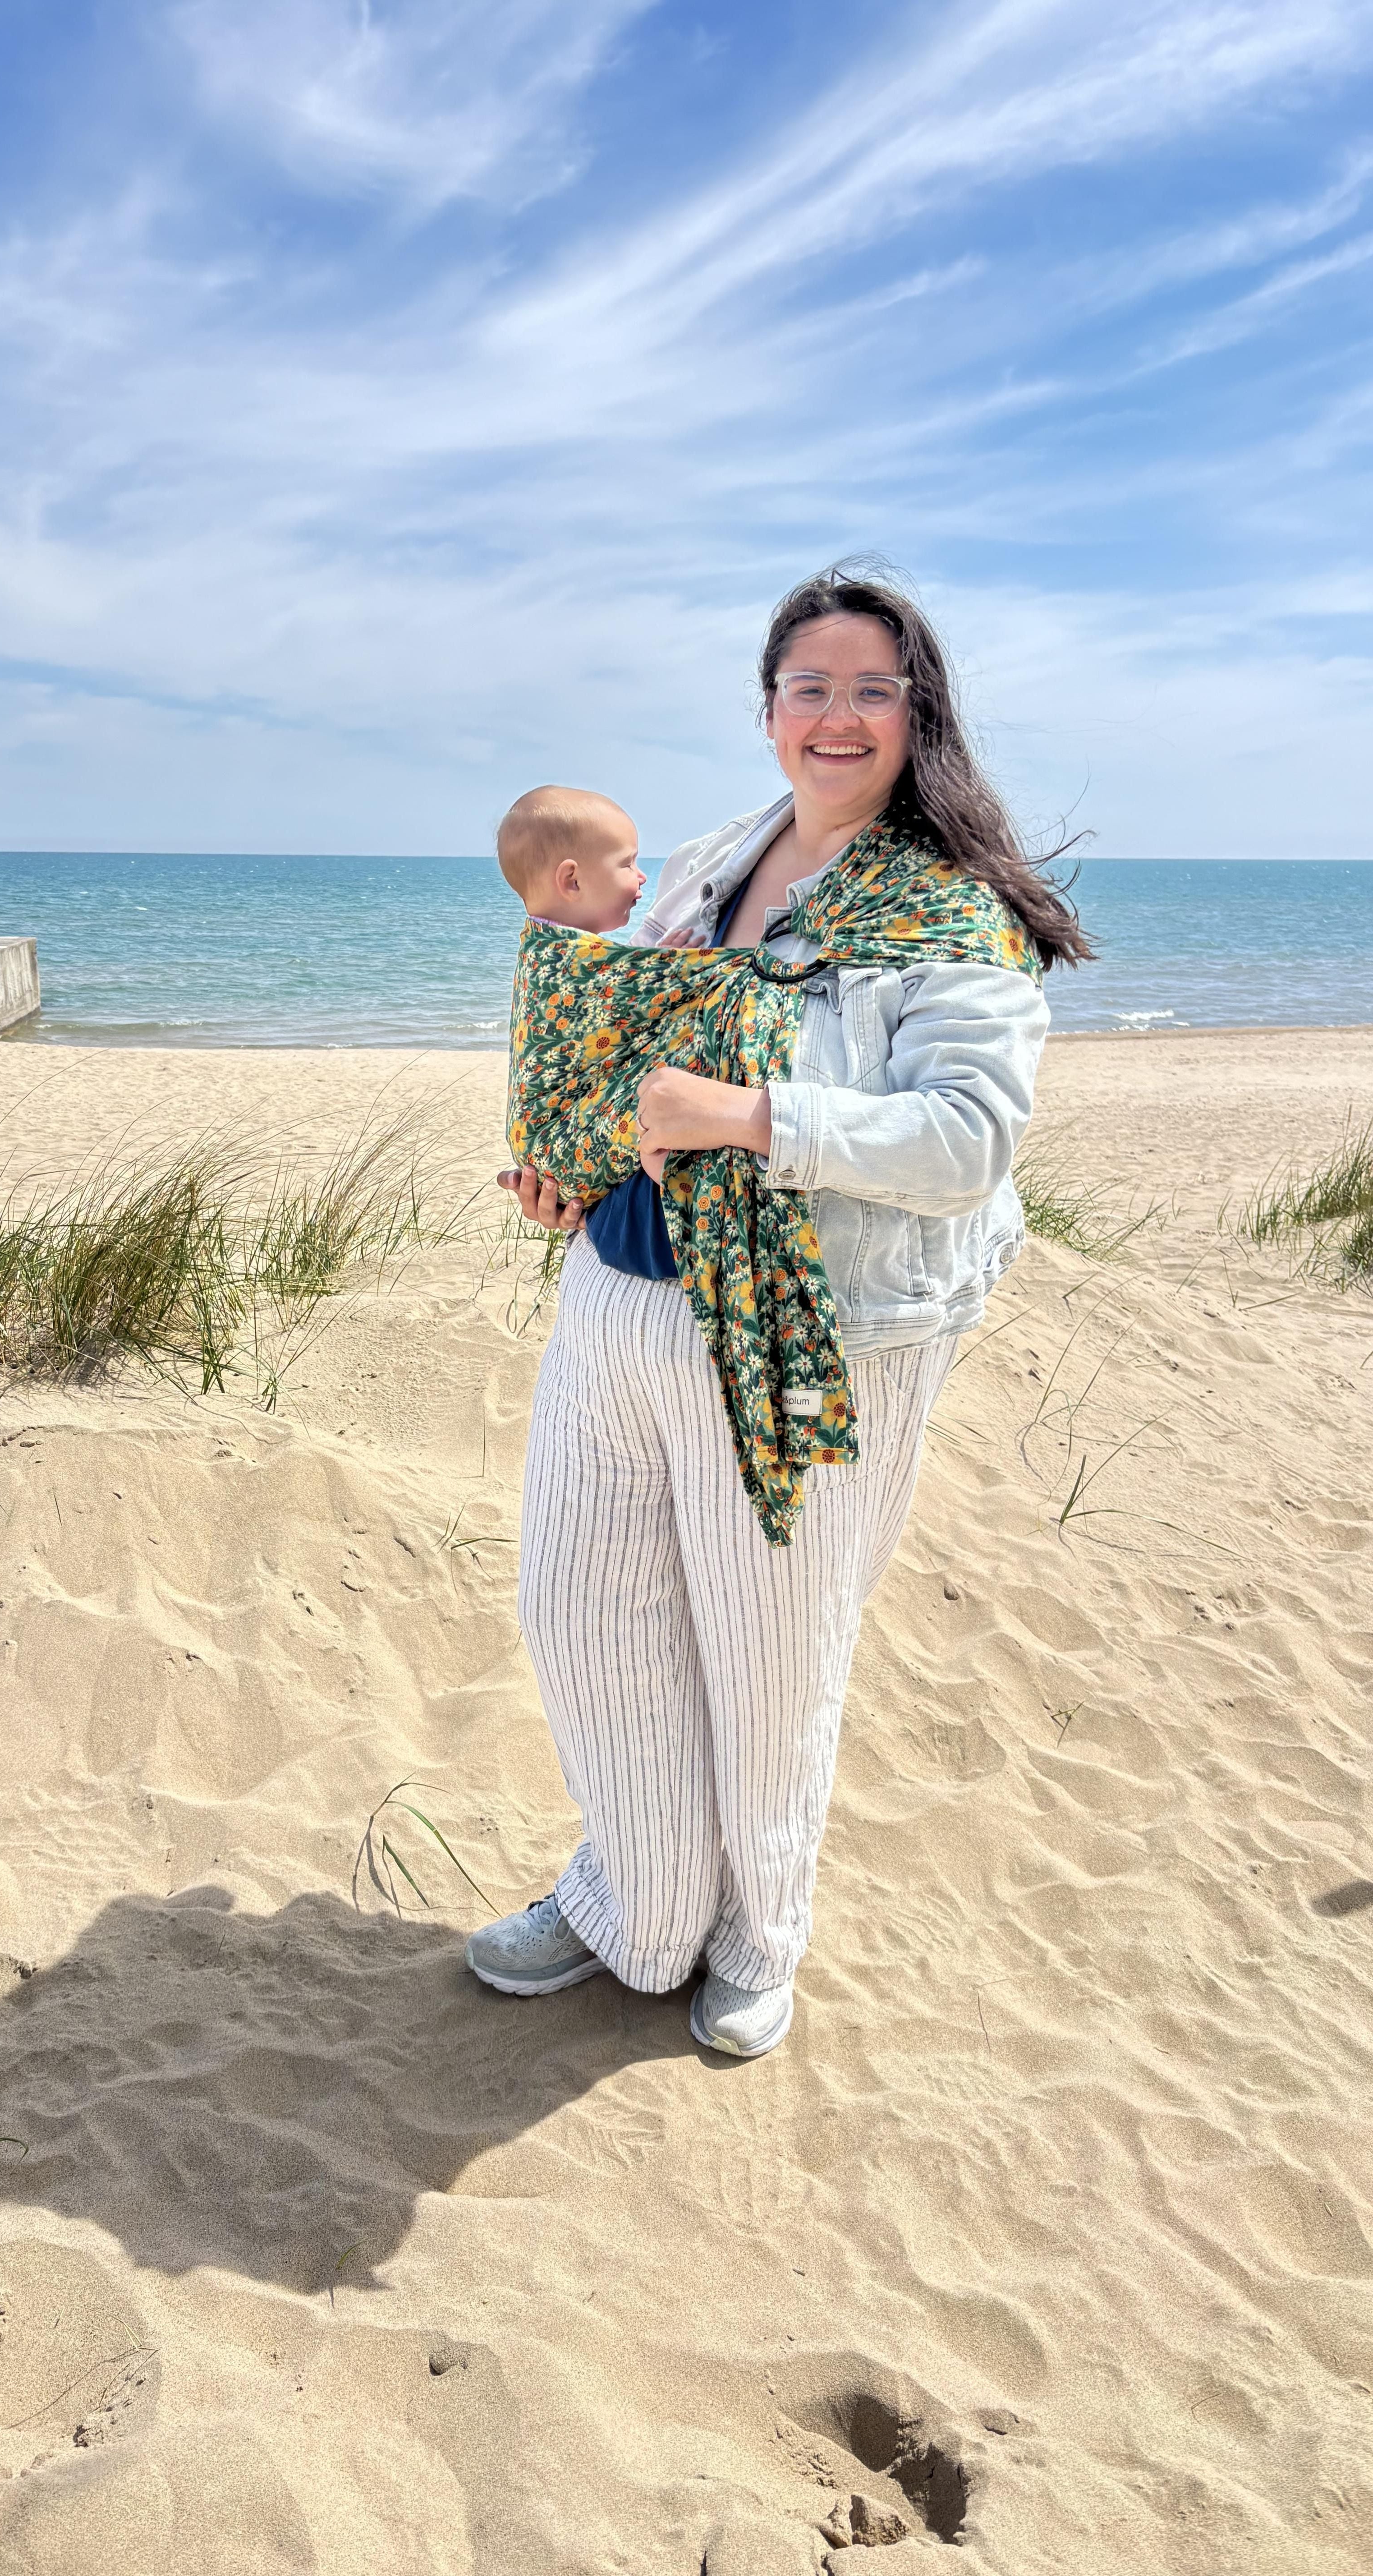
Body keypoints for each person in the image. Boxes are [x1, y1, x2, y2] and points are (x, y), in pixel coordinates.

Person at [467, 563, 1092, 2058]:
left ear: (912, 714)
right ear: (765, 713)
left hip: (815, 1332)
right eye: (805, 686)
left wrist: (749, 1117)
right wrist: (577, 1163)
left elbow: (965, 1141)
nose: (834, 714)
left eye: (868, 688)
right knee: (582, 1608)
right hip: (620, 1292)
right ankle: (637, 1895)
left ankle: (755, 1932)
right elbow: (626, 1056)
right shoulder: (691, 865)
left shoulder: (952, 915)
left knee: (765, 1652)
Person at [496, 784, 647, 934]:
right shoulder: (585, 957)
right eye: (628, 864)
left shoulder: (536, 943)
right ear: (573, 881)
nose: (642, 877)